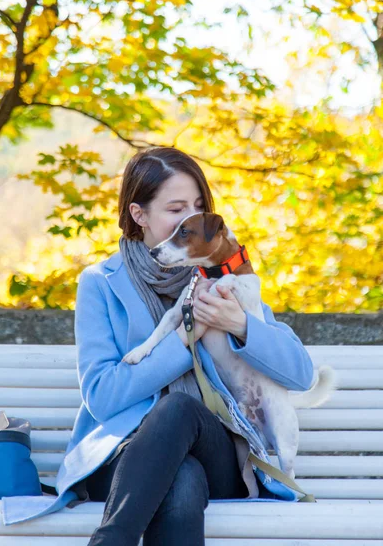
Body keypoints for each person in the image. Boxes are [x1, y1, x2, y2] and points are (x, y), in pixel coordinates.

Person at [71, 146, 314, 546]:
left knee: (183, 412)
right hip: (120, 458)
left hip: (216, 452)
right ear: (139, 215)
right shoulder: (100, 283)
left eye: (197, 206)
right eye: (175, 208)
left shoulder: (220, 279)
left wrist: (239, 325)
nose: (189, 218)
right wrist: (186, 337)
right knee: (182, 478)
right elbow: (102, 397)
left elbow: (301, 375)